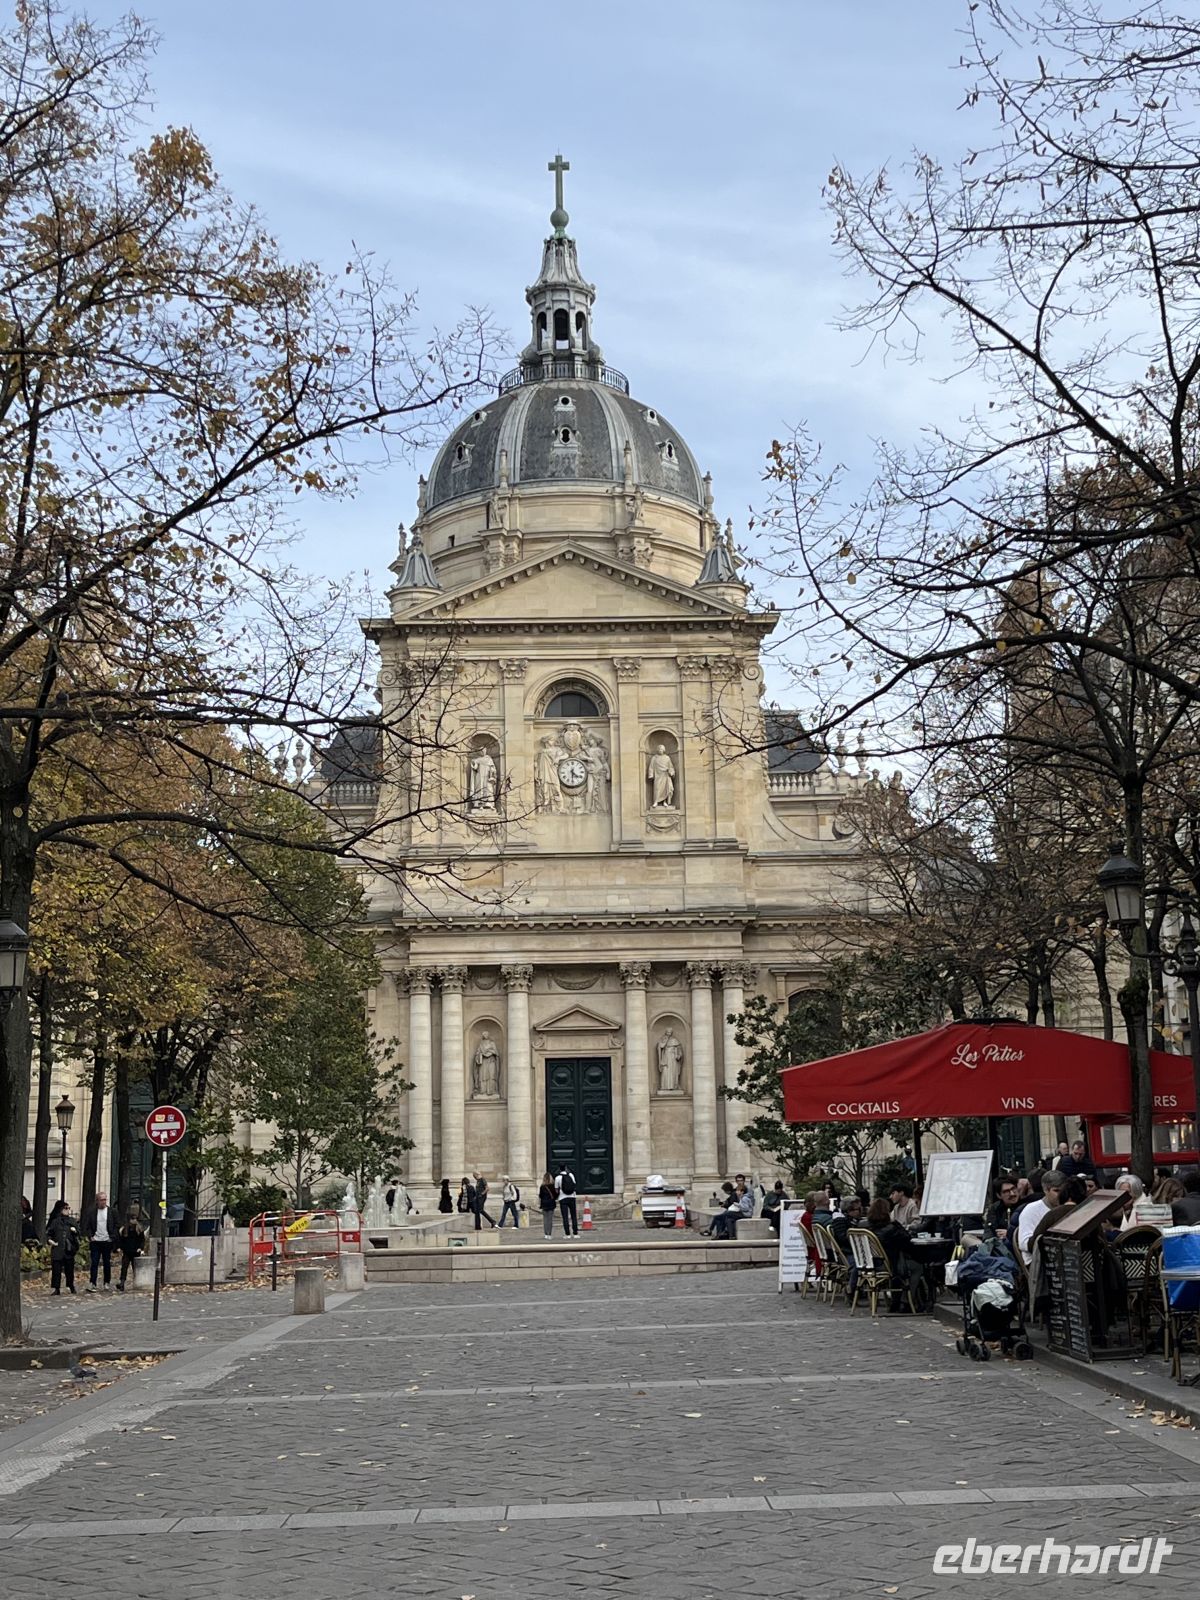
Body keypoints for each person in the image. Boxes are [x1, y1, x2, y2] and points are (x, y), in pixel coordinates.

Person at [866, 1197, 925, 1311]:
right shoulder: (891, 1229)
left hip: (872, 1264)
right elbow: (906, 1241)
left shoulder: (867, 1229)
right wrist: (897, 1224)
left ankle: (897, 1301)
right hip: (890, 1265)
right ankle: (906, 1301)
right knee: (917, 1267)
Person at [1016, 1168, 1067, 1266]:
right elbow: (1024, 1243)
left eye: (1063, 1191)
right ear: (1045, 1190)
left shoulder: (1066, 1206)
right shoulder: (1031, 1210)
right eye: (1056, 1191)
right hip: (1038, 1262)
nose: (1061, 1195)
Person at [82, 1189, 115, 1292]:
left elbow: (116, 1225)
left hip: (106, 1241)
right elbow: (86, 1226)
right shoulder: (91, 1212)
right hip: (95, 1241)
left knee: (107, 1263)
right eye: (101, 1200)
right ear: (97, 1201)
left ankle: (106, 1282)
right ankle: (93, 1282)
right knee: (94, 1262)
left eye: (105, 1200)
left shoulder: (111, 1211)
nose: (104, 1202)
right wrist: (90, 1236)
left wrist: (112, 1237)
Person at [46, 1201, 79, 1296]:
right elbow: (49, 1233)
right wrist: (50, 1241)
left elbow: (78, 1233)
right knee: (56, 1269)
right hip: (58, 1248)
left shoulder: (72, 1221)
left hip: (68, 1249)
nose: (68, 1210)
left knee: (69, 1269)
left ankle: (71, 1285)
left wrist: (75, 1231)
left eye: (69, 1208)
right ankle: (56, 1288)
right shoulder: (55, 1221)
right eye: (66, 1208)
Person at [116, 1211, 146, 1292]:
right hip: (127, 1251)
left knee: (135, 1268)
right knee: (124, 1267)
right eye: (132, 1219)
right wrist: (119, 1247)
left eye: (135, 1219)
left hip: (135, 1251)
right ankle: (122, 1283)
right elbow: (121, 1239)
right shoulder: (124, 1229)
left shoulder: (139, 1229)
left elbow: (142, 1239)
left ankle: (138, 1282)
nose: (133, 1221)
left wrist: (141, 1248)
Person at [556, 1165, 579, 1236]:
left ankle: (567, 1233)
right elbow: (574, 1184)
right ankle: (575, 1233)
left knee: (565, 1217)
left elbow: (556, 1189)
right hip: (572, 1197)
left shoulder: (558, 1178)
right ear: (566, 1168)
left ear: (559, 1169)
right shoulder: (571, 1175)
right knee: (574, 1216)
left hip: (563, 1198)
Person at [538, 1172, 558, 1239]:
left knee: (545, 1220)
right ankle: (549, 1234)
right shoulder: (553, 1186)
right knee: (550, 1220)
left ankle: (546, 1234)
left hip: (544, 1204)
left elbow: (540, 1195)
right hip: (551, 1203)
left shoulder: (542, 1187)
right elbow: (555, 1195)